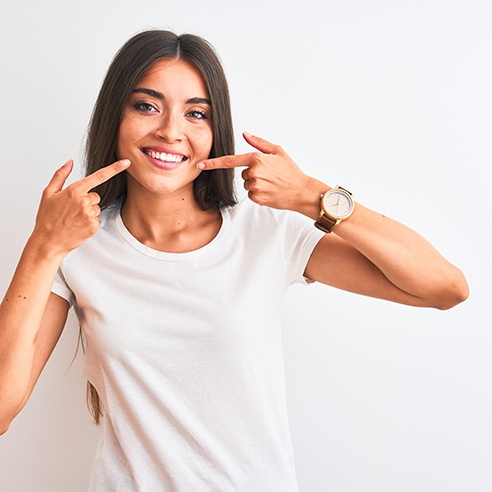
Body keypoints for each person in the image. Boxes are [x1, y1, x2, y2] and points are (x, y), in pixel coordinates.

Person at [0, 29, 468, 491]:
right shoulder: (74, 244)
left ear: (215, 128)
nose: (170, 130)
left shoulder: (263, 229)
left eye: (196, 114)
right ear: (114, 118)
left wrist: (311, 195)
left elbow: (444, 288)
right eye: (146, 106)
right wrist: (43, 243)